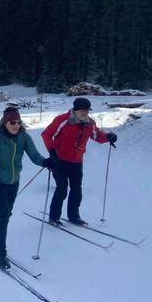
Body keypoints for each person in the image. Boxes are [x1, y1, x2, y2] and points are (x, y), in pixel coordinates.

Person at [0, 107, 54, 269]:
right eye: (12, 122)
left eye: (18, 122)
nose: (16, 125)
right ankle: (0, 253)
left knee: (5, 213)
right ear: (5, 122)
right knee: (3, 214)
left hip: (13, 182)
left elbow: (34, 155)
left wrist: (45, 162)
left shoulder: (23, 137)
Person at [42, 97, 117, 226]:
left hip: (77, 161)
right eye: (82, 110)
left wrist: (108, 137)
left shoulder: (90, 123)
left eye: (87, 110)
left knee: (76, 190)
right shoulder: (63, 120)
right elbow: (47, 134)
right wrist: (52, 151)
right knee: (62, 189)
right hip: (60, 160)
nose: (85, 113)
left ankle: (74, 216)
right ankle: (54, 217)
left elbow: (97, 136)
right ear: (75, 109)